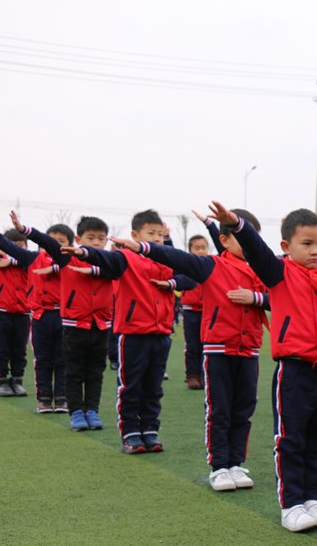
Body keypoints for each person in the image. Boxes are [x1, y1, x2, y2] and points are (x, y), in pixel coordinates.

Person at [209, 201, 317, 531]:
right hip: (294, 372)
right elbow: (255, 249)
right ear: (286, 246)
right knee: (291, 438)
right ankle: (292, 504)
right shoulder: (278, 272)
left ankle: (314, 499)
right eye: (307, 243)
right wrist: (236, 224)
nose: (316, 251)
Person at [110, 209, 269, 491]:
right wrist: (143, 247)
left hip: (250, 350)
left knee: (243, 409)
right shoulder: (210, 265)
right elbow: (175, 257)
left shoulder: (263, 269)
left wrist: (255, 297)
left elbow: (280, 296)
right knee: (219, 410)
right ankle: (219, 467)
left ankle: (235, 463)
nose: (249, 244)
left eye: (253, 238)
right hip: (219, 349)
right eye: (242, 238)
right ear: (224, 240)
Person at [61, 210, 194, 454]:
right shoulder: (126, 258)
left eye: (160, 234)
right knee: (131, 386)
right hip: (133, 334)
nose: (157, 238)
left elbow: (192, 275)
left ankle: (150, 430)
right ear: (135, 235)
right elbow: (104, 258)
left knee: (154, 387)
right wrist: (84, 252)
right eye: (150, 233)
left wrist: (172, 283)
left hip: (161, 334)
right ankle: (131, 433)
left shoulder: (167, 261)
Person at [14, 216, 112, 430]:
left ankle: (92, 411)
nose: (96, 242)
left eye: (101, 238)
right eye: (91, 238)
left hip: (101, 325)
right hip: (74, 324)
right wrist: (25, 230)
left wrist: (95, 270)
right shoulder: (67, 258)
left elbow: (125, 265)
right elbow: (48, 242)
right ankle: (76, 411)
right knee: (73, 370)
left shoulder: (111, 260)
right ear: (78, 239)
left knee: (95, 372)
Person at [0, 216, 73, 412]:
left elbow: (71, 264)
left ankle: (61, 397)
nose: (54, 245)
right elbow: (8, 248)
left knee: (61, 359)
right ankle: (43, 398)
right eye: (50, 241)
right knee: (41, 359)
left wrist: (52, 267)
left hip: (63, 317)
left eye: (61, 242)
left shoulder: (68, 260)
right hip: (39, 316)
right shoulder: (32, 259)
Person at [0, 228, 33, 397]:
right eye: (12, 245)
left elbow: (27, 260)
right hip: (3, 312)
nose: (16, 248)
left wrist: (11, 261)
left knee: (20, 349)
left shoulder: (28, 261)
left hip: (24, 312)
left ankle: (17, 380)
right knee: (2, 349)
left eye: (20, 245)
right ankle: (2, 381)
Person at [180, 234, 210, 390]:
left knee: (206, 345)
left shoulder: (211, 265)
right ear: (190, 250)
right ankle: (192, 375)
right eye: (197, 248)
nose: (201, 251)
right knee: (192, 345)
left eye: (203, 247)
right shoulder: (186, 265)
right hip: (190, 311)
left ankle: (204, 376)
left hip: (207, 311)